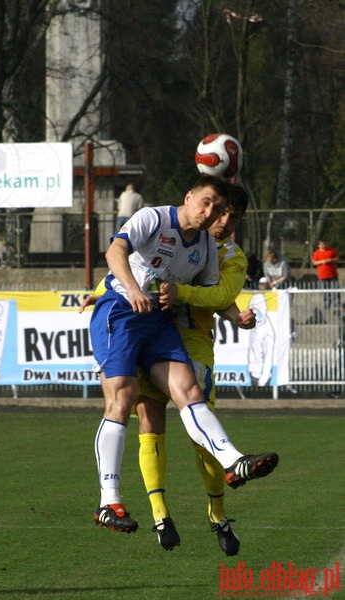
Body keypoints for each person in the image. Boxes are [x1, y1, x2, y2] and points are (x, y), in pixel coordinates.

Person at [88, 175, 279, 536]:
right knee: (124, 399)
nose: (210, 213)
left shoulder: (207, 247)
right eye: (205, 203)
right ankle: (108, 501)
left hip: (161, 322)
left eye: (219, 209)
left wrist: (235, 316)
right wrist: (128, 289)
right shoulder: (153, 218)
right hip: (122, 311)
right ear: (188, 196)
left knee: (188, 389)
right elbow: (115, 251)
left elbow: (212, 294)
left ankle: (234, 460)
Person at [135, 184, 260, 555]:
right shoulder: (172, 232)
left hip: (193, 340)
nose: (221, 221)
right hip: (148, 332)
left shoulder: (231, 255)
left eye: (231, 216)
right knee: (148, 417)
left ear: (239, 221)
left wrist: (186, 294)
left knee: (200, 432)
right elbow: (137, 262)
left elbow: (220, 296)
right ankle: (161, 516)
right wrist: (102, 289)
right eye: (218, 212)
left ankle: (217, 514)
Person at [312, 240, 341, 310]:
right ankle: (327, 303)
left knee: (335, 288)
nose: (323, 246)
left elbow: (337, 258)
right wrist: (322, 262)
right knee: (325, 290)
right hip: (322, 275)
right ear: (319, 246)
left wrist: (330, 260)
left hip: (332, 274)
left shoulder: (331, 250)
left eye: (324, 244)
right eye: (321, 245)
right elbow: (314, 263)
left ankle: (336, 302)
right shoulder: (317, 253)